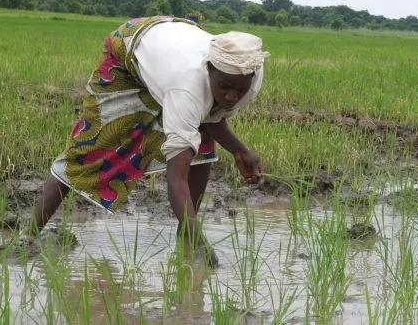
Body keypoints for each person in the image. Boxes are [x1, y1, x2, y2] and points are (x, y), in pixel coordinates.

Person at [27, 16, 269, 266]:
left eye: (240, 90)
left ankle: (185, 238)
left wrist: (240, 151)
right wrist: (201, 244)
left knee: (202, 145)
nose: (232, 96)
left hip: (172, 51)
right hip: (131, 50)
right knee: (88, 149)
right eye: (224, 86)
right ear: (208, 69)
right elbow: (177, 179)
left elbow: (210, 114)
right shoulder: (185, 88)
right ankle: (29, 237)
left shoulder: (249, 70)